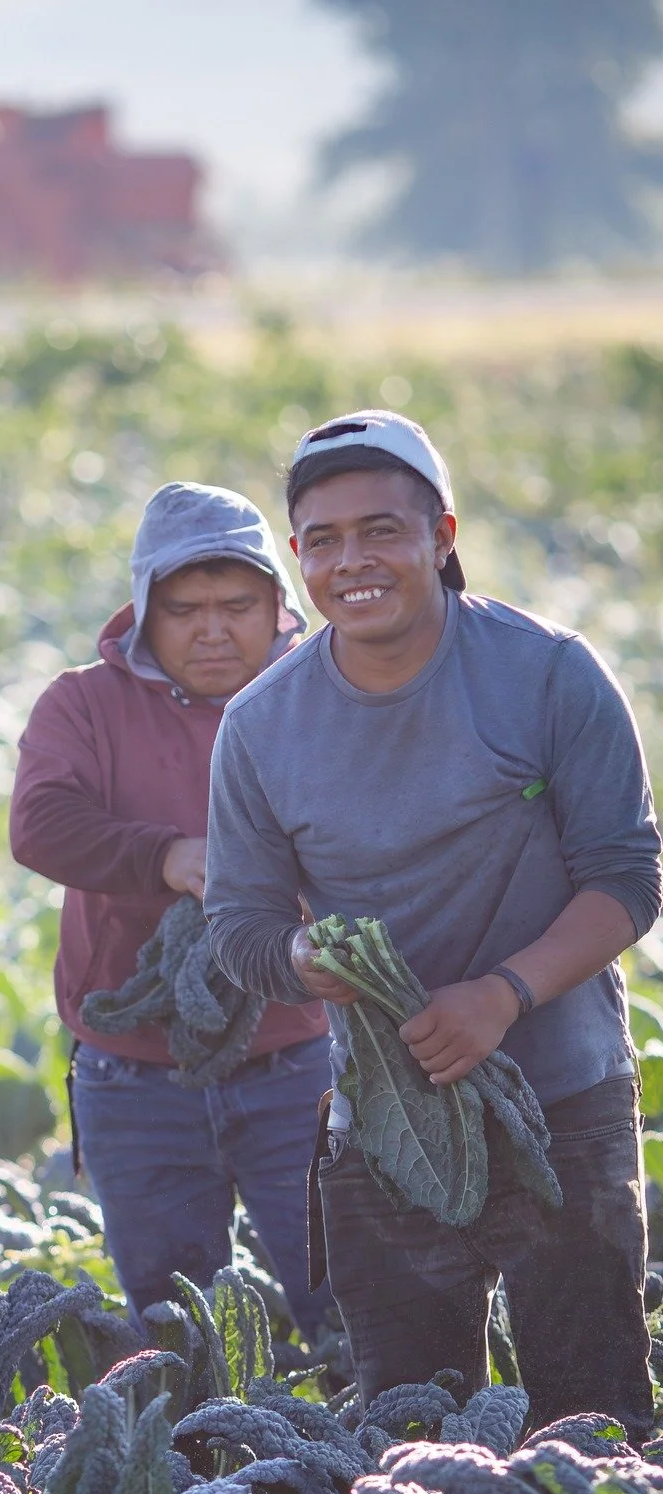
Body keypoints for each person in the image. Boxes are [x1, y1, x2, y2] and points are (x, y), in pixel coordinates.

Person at [206, 409, 661, 1432]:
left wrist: (501, 996)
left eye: (381, 530)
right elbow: (238, 924)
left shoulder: (546, 672)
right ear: (296, 559)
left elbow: (628, 878)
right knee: (414, 1431)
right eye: (322, 540)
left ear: (442, 535)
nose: (351, 562)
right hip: (384, 1116)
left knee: (593, 1420)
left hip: (563, 1094)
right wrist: (302, 957)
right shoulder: (260, 726)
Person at [11, 481, 334, 1330]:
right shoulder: (83, 703)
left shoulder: (327, 694)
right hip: (133, 1077)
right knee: (174, 1326)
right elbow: (39, 824)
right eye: (185, 609)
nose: (212, 630)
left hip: (300, 1062)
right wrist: (168, 856)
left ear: (278, 603)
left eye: (237, 606)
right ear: (144, 610)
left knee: (349, 1303)